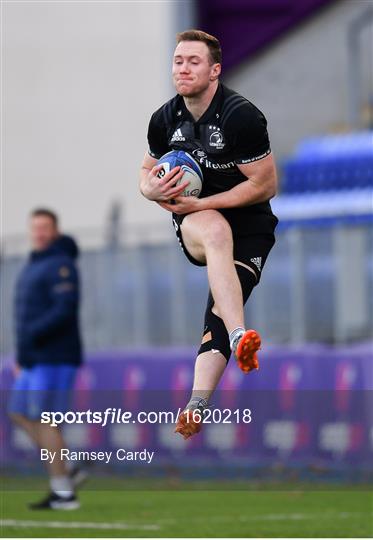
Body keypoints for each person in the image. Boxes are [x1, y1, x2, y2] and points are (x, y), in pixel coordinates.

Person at [139, 30, 278, 439]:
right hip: (199, 222)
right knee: (215, 230)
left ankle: (196, 404)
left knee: (216, 312)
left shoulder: (240, 116)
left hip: (252, 227)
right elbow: (146, 174)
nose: (183, 68)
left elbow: (265, 185)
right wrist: (149, 189)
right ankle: (241, 336)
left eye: (193, 61)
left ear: (215, 70)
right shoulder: (164, 119)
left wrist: (203, 201)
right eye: (178, 60)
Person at [8, 209, 85, 510]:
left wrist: (32, 338)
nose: (39, 233)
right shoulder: (35, 264)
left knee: (46, 419)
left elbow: (63, 309)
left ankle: (63, 492)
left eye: (45, 227)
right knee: (18, 412)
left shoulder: (61, 264)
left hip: (54, 356)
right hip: (33, 357)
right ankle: (70, 465)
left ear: (54, 230)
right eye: (35, 227)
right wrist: (23, 353)